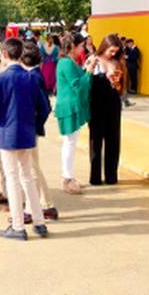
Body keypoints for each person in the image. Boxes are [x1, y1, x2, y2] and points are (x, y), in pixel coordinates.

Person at [0, 38, 51, 240]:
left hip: (8, 134)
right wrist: (34, 124)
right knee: (27, 176)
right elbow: (45, 107)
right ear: (21, 54)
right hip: (27, 132)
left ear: (4, 54)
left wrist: (2, 115)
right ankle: (39, 222)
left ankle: (18, 225)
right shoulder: (31, 78)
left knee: (12, 177)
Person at [21, 42, 58, 222]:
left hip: (31, 128)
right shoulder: (34, 75)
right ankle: (45, 204)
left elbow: (45, 107)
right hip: (31, 127)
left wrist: (35, 123)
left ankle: (41, 206)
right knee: (33, 167)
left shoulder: (34, 77)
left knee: (32, 169)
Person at [54, 32, 96, 194]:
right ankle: (67, 177)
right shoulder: (67, 63)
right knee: (69, 143)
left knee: (70, 143)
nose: (82, 48)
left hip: (69, 105)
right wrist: (89, 71)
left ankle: (68, 176)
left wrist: (86, 69)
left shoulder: (68, 62)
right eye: (80, 46)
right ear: (72, 46)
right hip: (69, 107)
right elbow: (78, 85)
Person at [89, 34, 126, 186]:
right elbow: (87, 80)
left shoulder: (118, 62)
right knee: (96, 142)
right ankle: (95, 177)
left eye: (115, 51)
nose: (113, 54)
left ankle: (111, 176)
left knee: (113, 140)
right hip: (96, 105)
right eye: (111, 51)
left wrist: (116, 80)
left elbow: (121, 86)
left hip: (113, 104)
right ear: (104, 47)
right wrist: (96, 71)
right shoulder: (94, 60)